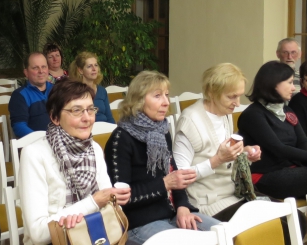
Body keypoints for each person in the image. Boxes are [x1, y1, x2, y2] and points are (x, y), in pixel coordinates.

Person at [105, 71, 219, 245]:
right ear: (138, 99)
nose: (166, 102)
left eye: (166, 95)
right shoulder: (121, 139)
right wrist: (164, 184)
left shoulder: (161, 131)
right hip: (139, 222)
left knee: (223, 233)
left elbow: (174, 175)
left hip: (171, 212)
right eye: (157, 96)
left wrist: (183, 206)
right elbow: (121, 199)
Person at [18, 79, 131, 245]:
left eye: (90, 109)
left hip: (95, 234)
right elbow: (38, 233)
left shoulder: (94, 149)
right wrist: (93, 202)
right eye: (76, 110)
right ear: (55, 117)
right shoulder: (35, 154)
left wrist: (114, 199)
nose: (87, 118)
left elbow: (110, 208)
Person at [173, 63, 261, 220]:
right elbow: (180, 176)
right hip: (208, 204)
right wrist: (217, 160)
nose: (237, 103)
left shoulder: (224, 113)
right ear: (212, 92)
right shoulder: (190, 121)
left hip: (233, 194)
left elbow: (225, 161)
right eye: (231, 97)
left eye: (239, 96)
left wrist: (245, 154)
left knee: (293, 218)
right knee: (272, 224)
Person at [237, 61, 307, 200]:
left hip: (290, 169)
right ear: (273, 83)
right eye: (289, 82)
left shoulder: (286, 109)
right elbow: (278, 148)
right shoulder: (253, 115)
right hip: (264, 176)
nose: (293, 88)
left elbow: (302, 141)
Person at [9, 52, 54, 138]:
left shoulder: (57, 90)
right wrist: (42, 139)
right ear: (26, 72)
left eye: (43, 67)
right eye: (35, 68)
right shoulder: (19, 96)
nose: (41, 71)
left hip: (61, 140)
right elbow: (19, 127)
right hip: (35, 143)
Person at [69, 51, 115, 123]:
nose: (94, 69)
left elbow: (109, 118)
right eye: (89, 66)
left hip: (105, 128)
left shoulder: (102, 91)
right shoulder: (74, 91)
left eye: (96, 65)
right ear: (80, 70)